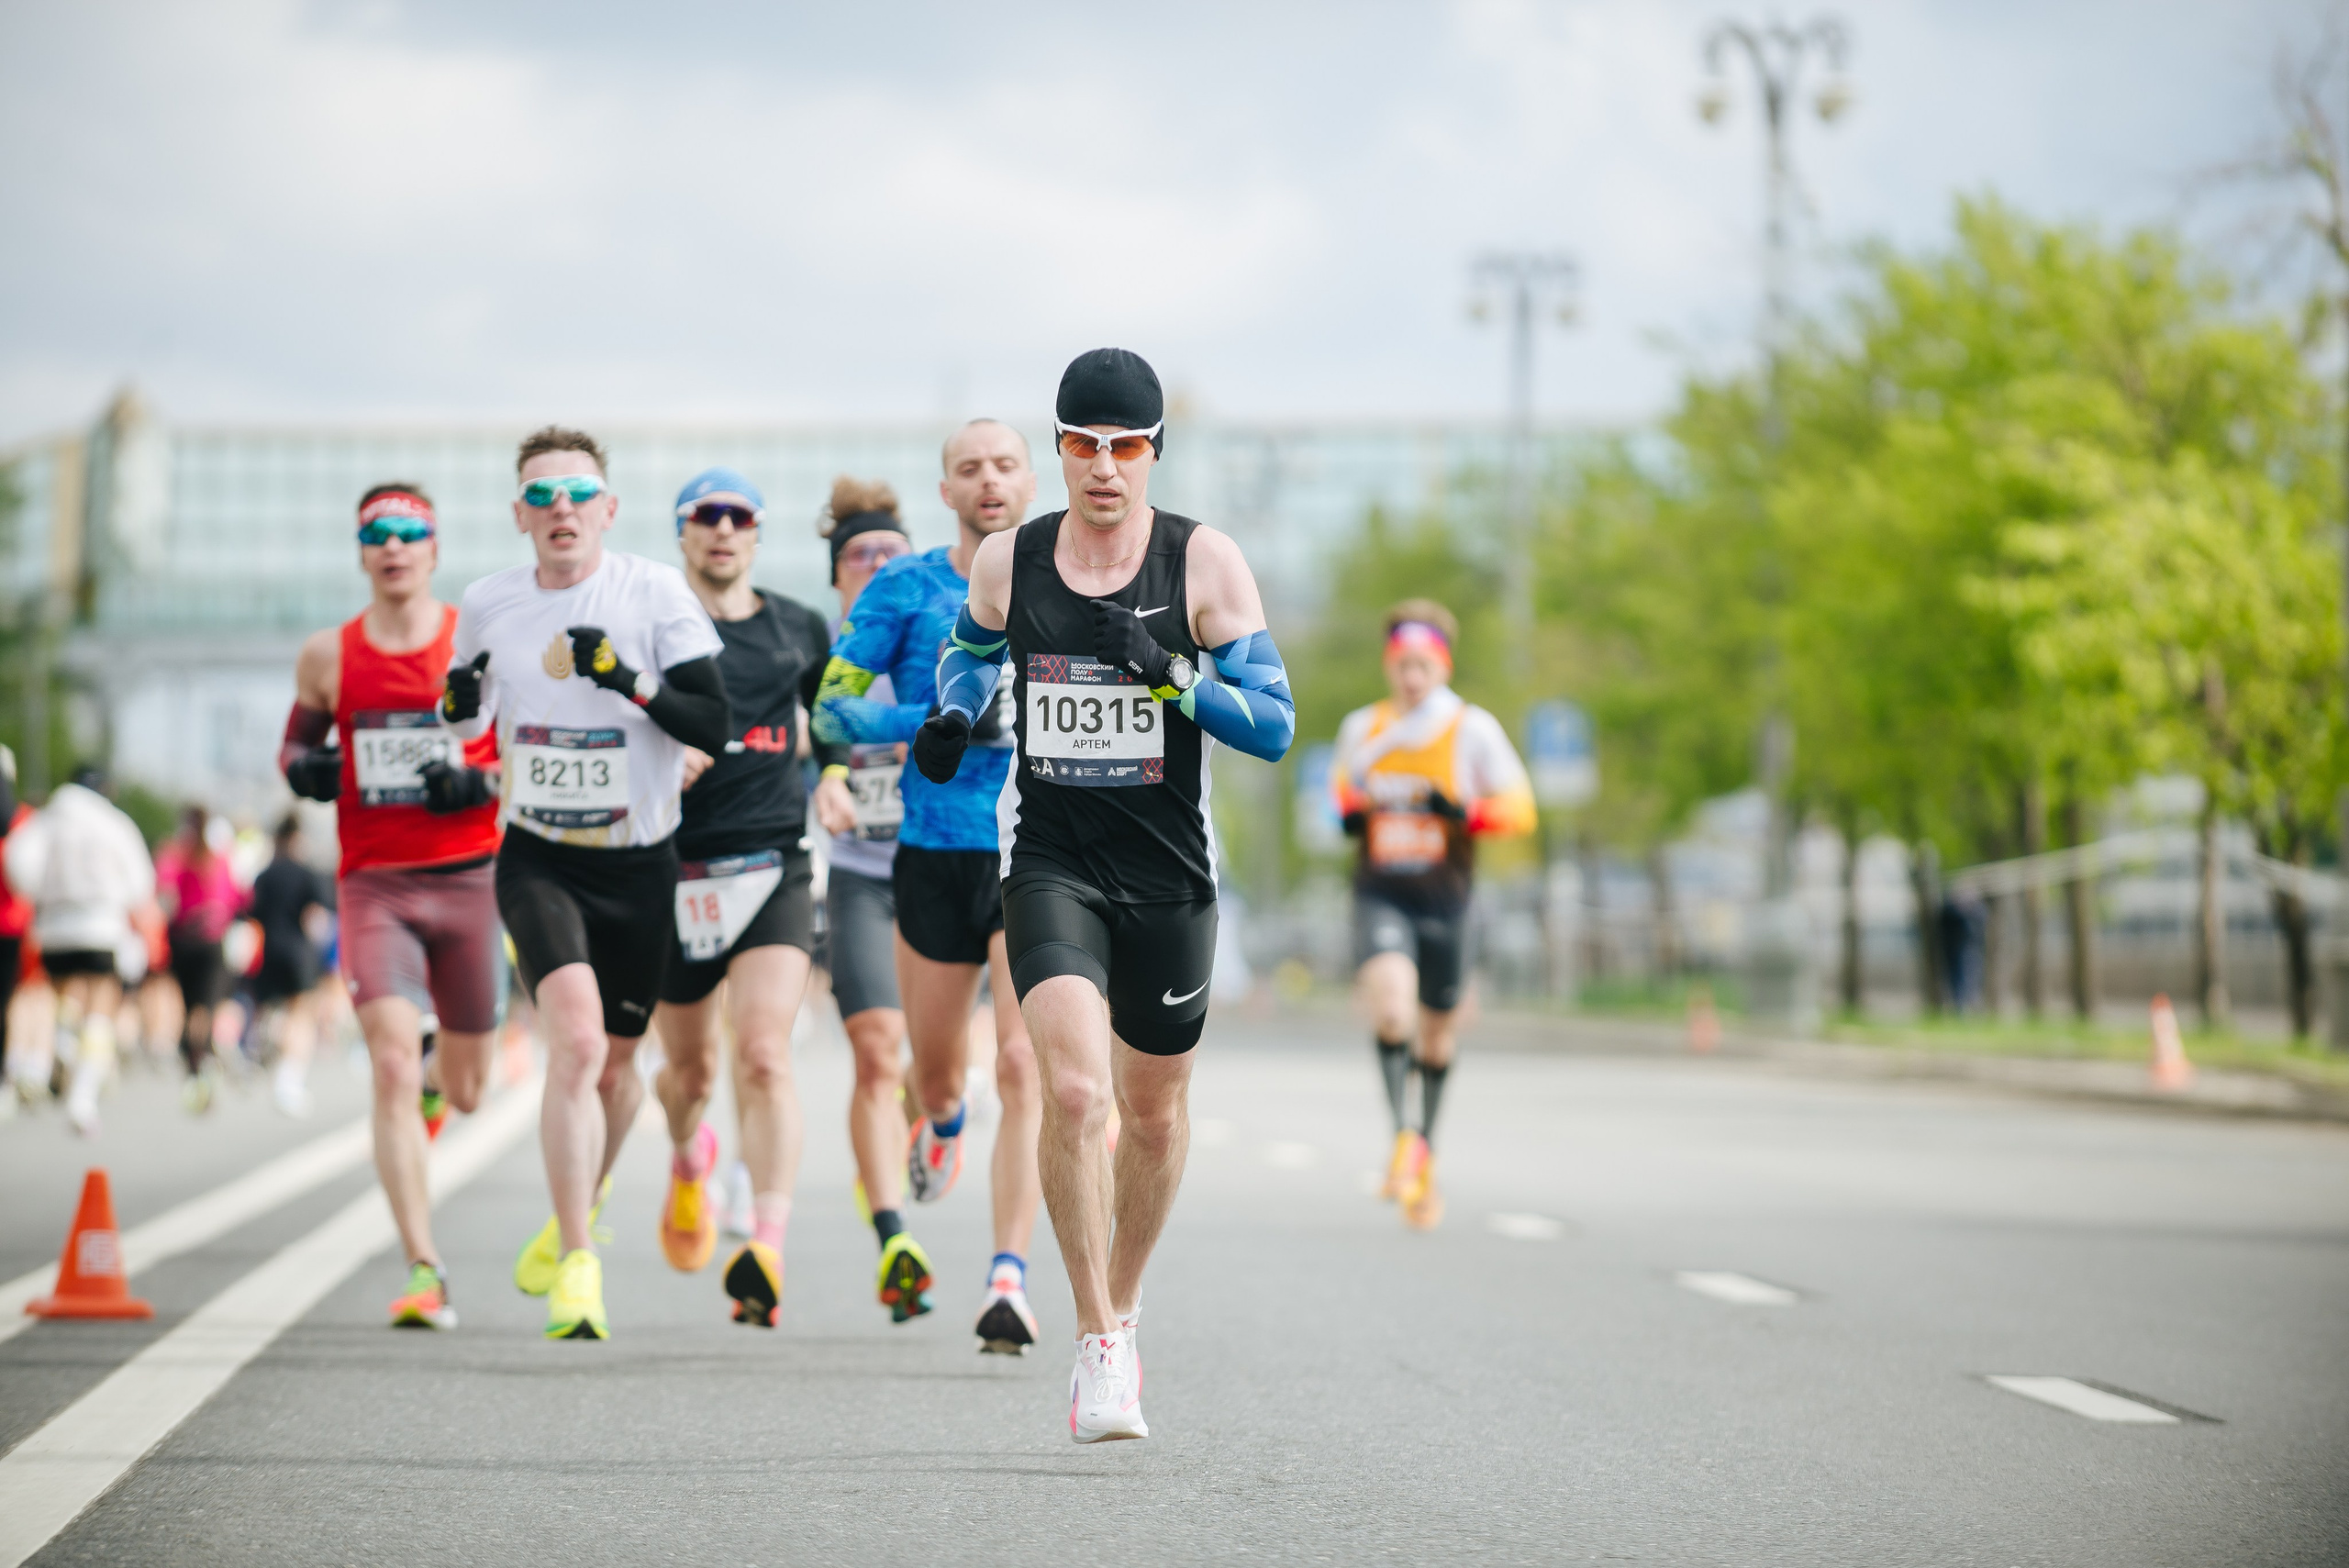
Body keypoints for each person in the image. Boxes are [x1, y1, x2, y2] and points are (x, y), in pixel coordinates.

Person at [917, 349, 1296, 1440]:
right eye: (1083, 444)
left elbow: (1271, 726)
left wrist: (1172, 671)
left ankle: (1123, 1300)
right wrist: (953, 711)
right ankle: (1096, 1339)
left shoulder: (1203, 562)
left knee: (1151, 1110)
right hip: (1051, 861)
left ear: (1152, 453)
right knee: (1071, 1091)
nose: (1103, 466)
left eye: (1125, 446)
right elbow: (968, 654)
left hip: (1171, 877)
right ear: (1061, 450)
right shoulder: (1009, 558)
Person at [442, 427, 729, 1341]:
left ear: (607, 509)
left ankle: (586, 1194)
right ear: (520, 514)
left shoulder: (653, 592)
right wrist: (456, 708)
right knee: (571, 1042)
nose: (559, 508)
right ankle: (578, 1256)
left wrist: (628, 677)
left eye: (577, 492)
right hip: (539, 855)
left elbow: (710, 720)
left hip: (640, 862)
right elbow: (468, 715)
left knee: (616, 1065)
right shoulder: (488, 603)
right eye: (541, 494)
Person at [814, 428, 1046, 1352]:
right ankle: (941, 1116)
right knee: (939, 1070)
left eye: (1005, 465)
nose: (989, 481)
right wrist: (939, 717)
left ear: (1031, 480)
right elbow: (831, 702)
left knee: (1024, 1062)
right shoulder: (904, 588)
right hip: (930, 848)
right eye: (970, 468)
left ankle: (1008, 1277)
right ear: (944, 488)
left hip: (1035, 850)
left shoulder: (1071, 578)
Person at [283, 480, 508, 1329]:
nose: (394, 544)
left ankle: (432, 1095)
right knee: (386, 1056)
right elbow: (295, 749)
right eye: (377, 531)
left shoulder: (475, 643)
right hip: (373, 883)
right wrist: (305, 770)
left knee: (470, 1086)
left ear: (435, 549)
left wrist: (476, 781)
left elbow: (526, 754)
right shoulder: (327, 656)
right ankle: (424, 1265)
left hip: (472, 878)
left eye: (411, 530)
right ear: (362, 550)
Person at [649, 466, 840, 1329]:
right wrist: (654, 755)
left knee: (763, 1051)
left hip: (773, 866)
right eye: (705, 516)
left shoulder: (797, 627)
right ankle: (691, 1154)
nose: (723, 529)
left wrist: (833, 775)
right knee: (687, 1074)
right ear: (683, 532)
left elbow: (834, 721)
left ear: (758, 535)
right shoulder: (651, 625)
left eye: (740, 517)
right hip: (674, 870)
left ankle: (764, 1241)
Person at [1330, 600, 1534, 1229]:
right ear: (1390, 666)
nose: (1412, 677)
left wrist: (1463, 811)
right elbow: (1338, 796)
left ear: (1440, 666)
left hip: (1448, 900)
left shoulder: (1471, 729)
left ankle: (1425, 1146)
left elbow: (1520, 810)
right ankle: (1402, 1136)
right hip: (1382, 892)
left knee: (1437, 1034)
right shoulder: (1363, 727)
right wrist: (1355, 812)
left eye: (1423, 665)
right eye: (1402, 664)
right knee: (1393, 1010)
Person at [803, 484, 926, 1319]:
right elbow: (802, 739)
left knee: (936, 1069)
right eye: (861, 555)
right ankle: (894, 1235)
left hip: (949, 869)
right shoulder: (827, 660)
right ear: (838, 575)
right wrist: (828, 779)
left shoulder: (947, 641)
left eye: (893, 553)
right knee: (877, 1051)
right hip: (859, 875)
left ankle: (922, 1125)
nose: (879, 566)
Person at [4, 765, 155, 1136]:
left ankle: (60, 1052)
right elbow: (140, 882)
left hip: (54, 928)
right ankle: (83, 1095)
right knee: (100, 1011)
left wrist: (44, 896)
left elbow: (18, 867)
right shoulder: (113, 822)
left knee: (63, 1003)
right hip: (101, 927)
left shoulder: (47, 821)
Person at [154, 806, 245, 1109]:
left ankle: (194, 1055)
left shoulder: (175, 855)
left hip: (182, 939)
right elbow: (236, 897)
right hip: (209, 941)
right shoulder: (218, 859)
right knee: (205, 1006)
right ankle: (199, 1057)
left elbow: (164, 894)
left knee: (189, 1003)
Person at [248, 815, 334, 1118]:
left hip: (268, 950)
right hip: (299, 953)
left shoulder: (264, 874)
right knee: (301, 1015)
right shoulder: (309, 874)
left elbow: (252, 914)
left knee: (269, 1007)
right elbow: (318, 919)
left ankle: (266, 1040)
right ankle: (287, 1080)